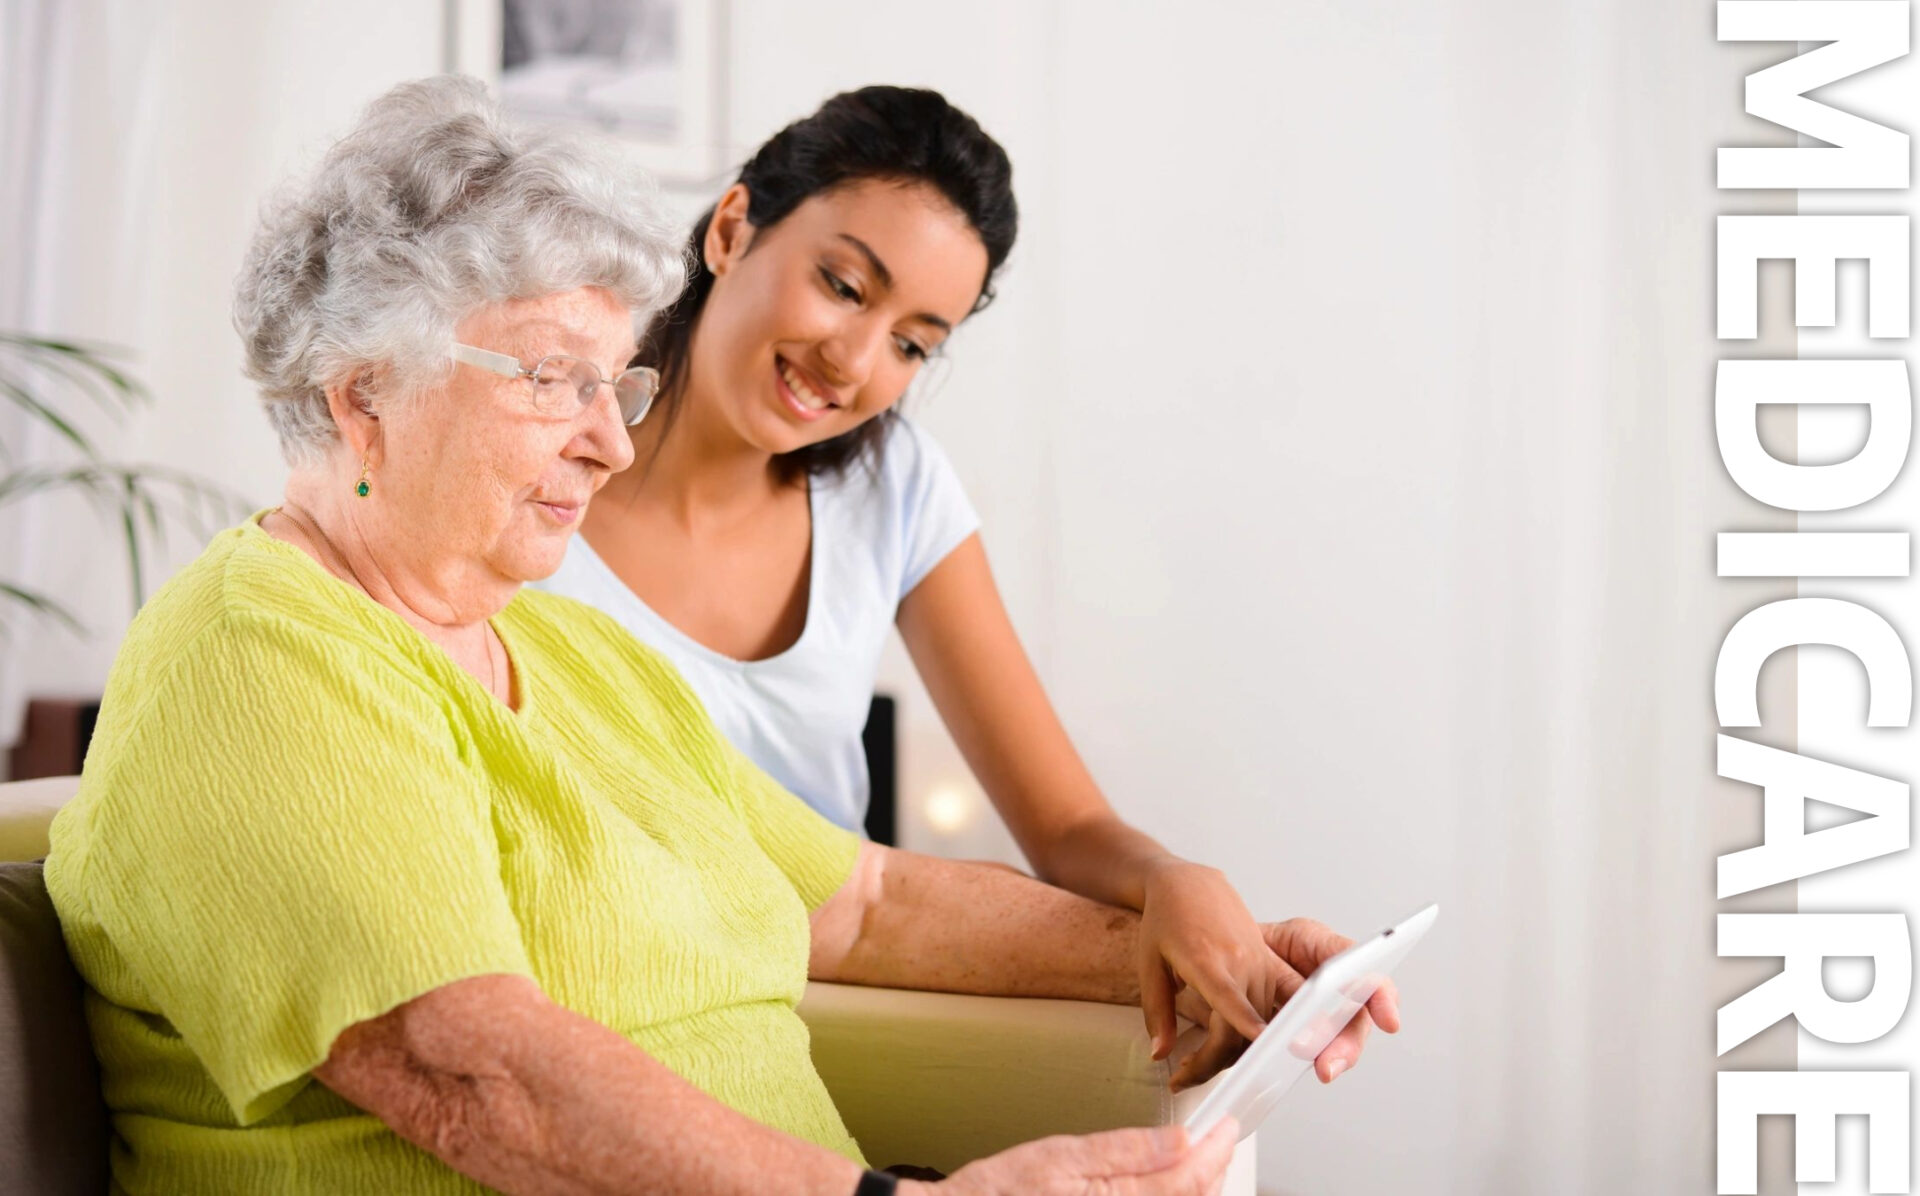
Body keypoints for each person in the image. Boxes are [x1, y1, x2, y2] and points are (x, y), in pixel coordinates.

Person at [43, 77, 1395, 1196]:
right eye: (556, 384)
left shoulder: (573, 656)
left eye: (614, 381)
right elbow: (477, 1073)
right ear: (364, 398)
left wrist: (1234, 963)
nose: (607, 436)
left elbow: (865, 902)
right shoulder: (258, 657)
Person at [539, 85, 1324, 1079]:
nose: (853, 361)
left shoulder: (893, 486)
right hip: (605, 1008)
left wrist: (1177, 882)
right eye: (844, 283)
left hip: (824, 1020)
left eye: (913, 342)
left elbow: (1067, 823)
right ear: (734, 227)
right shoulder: (536, 460)